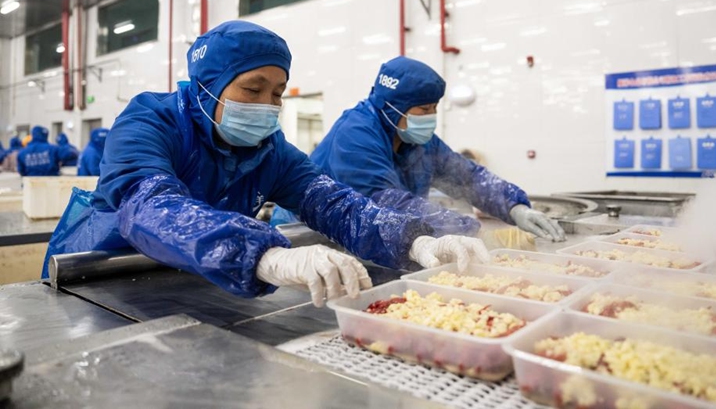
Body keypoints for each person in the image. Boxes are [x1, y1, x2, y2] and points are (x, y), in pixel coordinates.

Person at [44, 21, 489, 307]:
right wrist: (267, 254)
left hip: (198, 280)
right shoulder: (148, 122)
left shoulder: (269, 150)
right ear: (207, 87)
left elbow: (333, 203)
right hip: (97, 282)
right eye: (253, 89)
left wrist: (415, 242)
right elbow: (150, 207)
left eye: (277, 93)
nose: (267, 104)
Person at [274, 56, 565, 243]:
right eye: (423, 108)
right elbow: (384, 202)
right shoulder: (356, 132)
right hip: (309, 237)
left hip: (375, 238)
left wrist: (514, 208)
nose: (430, 117)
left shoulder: (417, 139)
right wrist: (469, 229)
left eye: (435, 108)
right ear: (392, 106)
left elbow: (466, 176)